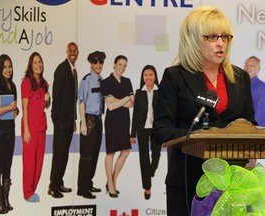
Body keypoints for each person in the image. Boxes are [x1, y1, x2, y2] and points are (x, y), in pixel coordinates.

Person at [151, 6, 256, 216]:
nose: (221, 43)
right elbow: (161, 131)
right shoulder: (175, 77)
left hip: (233, 182)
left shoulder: (240, 77)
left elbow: (249, 126)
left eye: (225, 37)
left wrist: (250, 152)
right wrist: (203, 137)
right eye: (211, 37)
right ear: (193, 40)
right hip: (188, 180)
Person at [0, 54, 19, 214]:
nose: (8, 70)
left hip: (10, 131)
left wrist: (16, 111)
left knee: (8, 166)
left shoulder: (13, 86)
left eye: (10, 66)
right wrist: (8, 108)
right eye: (5, 67)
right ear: (0, 69)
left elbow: (15, 107)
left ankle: (6, 200)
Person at [101, 55, 134, 198]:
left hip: (124, 120)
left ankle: (112, 181)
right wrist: (125, 99)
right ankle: (111, 183)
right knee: (111, 153)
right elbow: (111, 107)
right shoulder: (106, 82)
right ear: (114, 64)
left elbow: (131, 104)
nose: (122, 68)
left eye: (124, 65)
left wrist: (119, 100)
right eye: (120, 64)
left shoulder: (127, 82)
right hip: (112, 121)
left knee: (125, 151)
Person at [48, 42, 79, 198]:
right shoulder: (62, 69)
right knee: (59, 153)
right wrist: (57, 119)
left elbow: (73, 98)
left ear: (77, 53)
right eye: (70, 50)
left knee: (64, 153)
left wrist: (73, 119)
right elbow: (56, 95)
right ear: (67, 52)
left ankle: (59, 182)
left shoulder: (74, 71)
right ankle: (53, 186)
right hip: (60, 121)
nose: (73, 53)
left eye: (75, 51)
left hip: (68, 121)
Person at [21, 52, 50, 202]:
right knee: (29, 162)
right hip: (30, 128)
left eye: (40, 62)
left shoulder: (44, 84)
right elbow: (24, 107)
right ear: (31, 65)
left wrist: (48, 98)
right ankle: (27, 192)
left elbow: (45, 105)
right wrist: (26, 130)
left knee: (39, 162)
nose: (38, 65)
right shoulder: (26, 82)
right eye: (35, 62)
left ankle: (33, 190)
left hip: (41, 127)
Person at [76, 51, 105, 199]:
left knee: (94, 155)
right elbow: (81, 102)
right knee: (86, 156)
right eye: (95, 62)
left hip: (99, 121)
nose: (98, 65)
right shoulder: (86, 80)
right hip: (88, 120)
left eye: (100, 62)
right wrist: (82, 123)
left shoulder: (102, 81)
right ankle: (82, 188)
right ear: (91, 64)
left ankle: (88, 182)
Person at [130, 65, 161, 200]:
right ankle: (147, 187)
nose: (148, 77)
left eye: (151, 74)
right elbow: (135, 114)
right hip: (142, 128)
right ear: (143, 77)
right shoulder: (139, 92)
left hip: (156, 128)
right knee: (143, 157)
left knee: (156, 154)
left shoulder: (160, 92)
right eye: (146, 75)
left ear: (155, 77)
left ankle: (151, 171)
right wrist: (132, 134)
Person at [243, 56, 265, 167]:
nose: (247, 67)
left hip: (251, 134)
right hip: (239, 132)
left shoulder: (262, 88)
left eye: (251, 65)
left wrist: (256, 135)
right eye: (246, 64)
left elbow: (260, 113)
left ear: (258, 69)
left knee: (248, 167)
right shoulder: (242, 85)